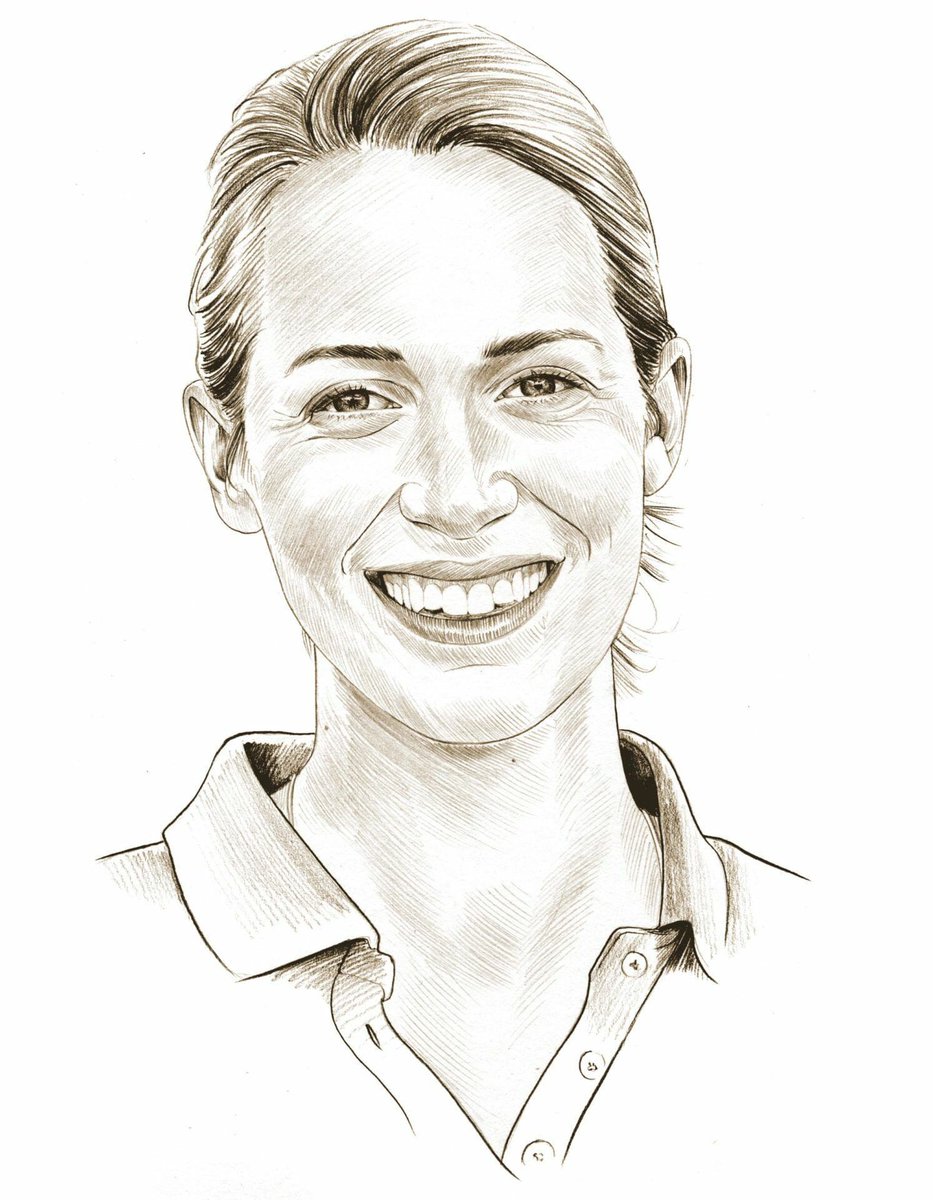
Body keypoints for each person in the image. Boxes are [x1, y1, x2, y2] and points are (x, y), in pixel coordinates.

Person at [99, 19, 808, 1188]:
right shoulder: (54, 972)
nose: (458, 491)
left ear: (662, 413)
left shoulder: (867, 974)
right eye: (353, 400)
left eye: (539, 383)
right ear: (226, 453)